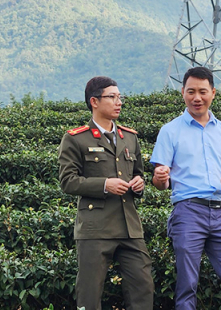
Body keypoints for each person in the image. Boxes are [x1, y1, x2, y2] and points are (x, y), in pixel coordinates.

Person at [151, 66, 221, 310]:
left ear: (213, 93)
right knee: (187, 284)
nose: (197, 97)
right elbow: (161, 184)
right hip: (188, 212)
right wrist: (160, 176)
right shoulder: (170, 131)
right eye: (191, 92)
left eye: (203, 92)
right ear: (182, 93)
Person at [57, 76, 154, 310]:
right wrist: (104, 185)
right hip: (95, 227)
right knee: (90, 294)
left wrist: (140, 183)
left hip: (129, 226)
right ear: (94, 101)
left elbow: (139, 173)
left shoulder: (129, 137)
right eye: (112, 97)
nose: (118, 102)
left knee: (143, 288)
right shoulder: (75, 138)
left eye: (120, 97)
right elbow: (68, 182)